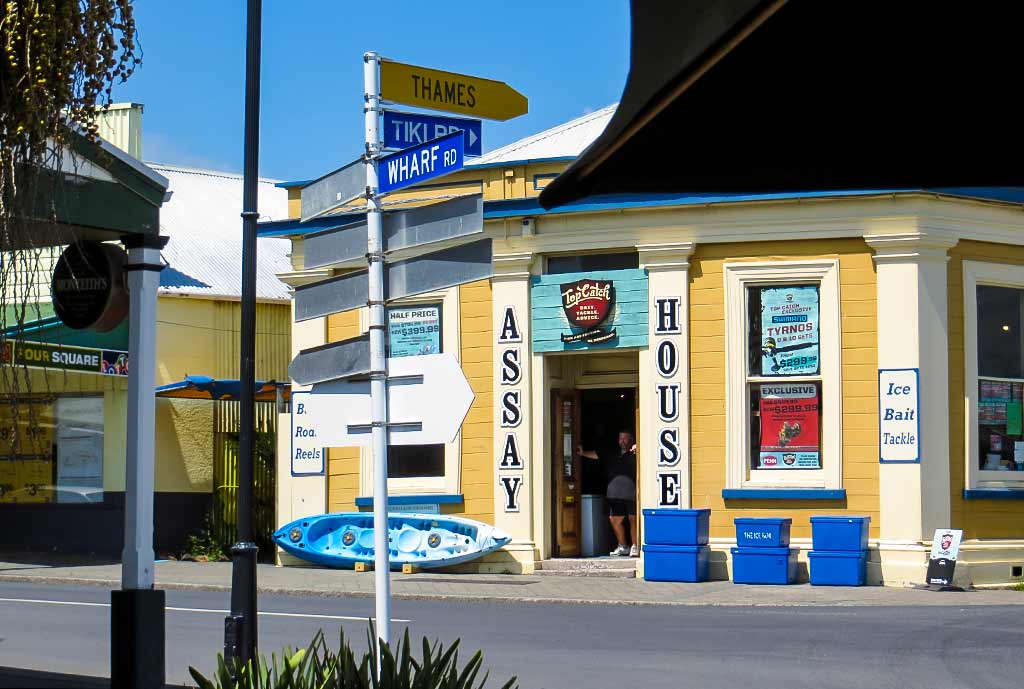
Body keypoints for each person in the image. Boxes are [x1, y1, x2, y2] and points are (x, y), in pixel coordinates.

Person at [577, 430, 638, 557]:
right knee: (614, 519)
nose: (622, 441)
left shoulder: (635, 452)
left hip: (632, 493)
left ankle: (635, 546)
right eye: (620, 438)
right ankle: (623, 546)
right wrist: (582, 453)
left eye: (625, 439)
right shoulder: (611, 453)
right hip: (614, 494)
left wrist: (639, 447)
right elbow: (596, 454)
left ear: (631, 440)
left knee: (633, 520)